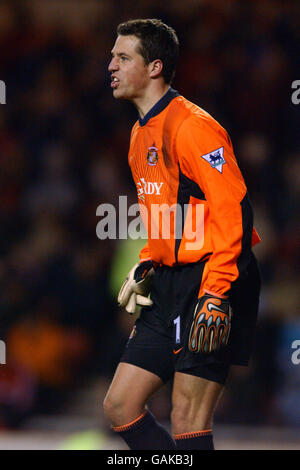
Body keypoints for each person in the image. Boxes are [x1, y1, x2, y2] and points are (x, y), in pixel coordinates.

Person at [103, 18, 261, 450]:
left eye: (122, 57)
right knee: (119, 405)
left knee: (187, 418)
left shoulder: (191, 126)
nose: (110, 66)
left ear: (154, 67)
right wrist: (149, 261)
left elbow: (234, 211)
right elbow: (169, 214)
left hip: (214, 278)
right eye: (112, 57)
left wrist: (216, 291)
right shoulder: (139, 134)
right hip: (170, 283)